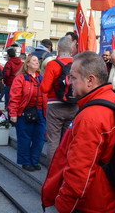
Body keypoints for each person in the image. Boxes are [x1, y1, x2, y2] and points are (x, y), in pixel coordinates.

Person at [42, 51, 115, 213]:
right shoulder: (114, 99)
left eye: (73, 77)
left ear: (90, 80)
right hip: (113, 198)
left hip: (93, 204)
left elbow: (79, 173)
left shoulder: (90, 117)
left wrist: (63, 207)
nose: (68, 81)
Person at [41, 36, 78, 166]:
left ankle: (52, 173)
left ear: (58, 48)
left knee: (53, 141)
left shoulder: (52, 64)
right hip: (73, 105)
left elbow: (44, 88)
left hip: (54, 105)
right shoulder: (78, 63)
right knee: (68, 140)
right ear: (72, 49)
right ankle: (65, 171)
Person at [8, 55, 47, 172]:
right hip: (25, 112)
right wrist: (13, 113)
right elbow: (15, 97)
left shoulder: (41, 78)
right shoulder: (20, 78)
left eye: (37, 60)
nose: (37, 62)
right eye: (34, 60)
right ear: (27, 63)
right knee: (24, 138)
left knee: (39, 138)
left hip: (40, 112)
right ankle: (26, 161)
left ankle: (34, 161)